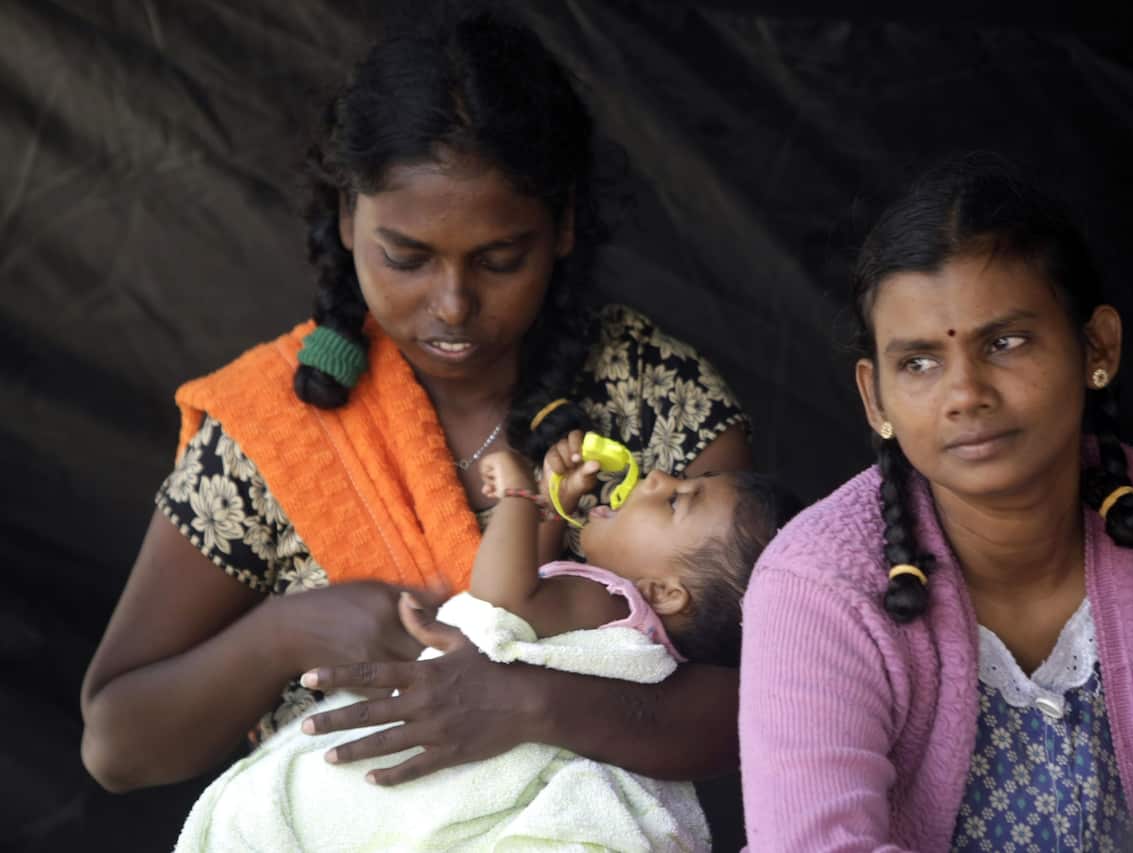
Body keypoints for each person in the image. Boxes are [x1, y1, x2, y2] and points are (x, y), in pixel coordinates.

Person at [80, 7, 751, 820]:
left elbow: (757, 700)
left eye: (501, 260)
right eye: (405, 257)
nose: (454, 305)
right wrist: (290, 631)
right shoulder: (275, 424)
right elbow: (116, 739)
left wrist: (524, 700)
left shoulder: (656, 395)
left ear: (565, 226)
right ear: (345, 220)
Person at [737, 153, 1133, 851]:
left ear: (1097, 347)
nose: (966, 393)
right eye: (920, 362)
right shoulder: (818, 585)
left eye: (1007, 341)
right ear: (876, 397)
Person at [174, 427, 795, 851]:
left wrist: (522, 499)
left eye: (677, 501)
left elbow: (507, 600)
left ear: (664, 594)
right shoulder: (622, 621)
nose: (657, 476)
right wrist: (556, 513)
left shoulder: (607, 599)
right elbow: (538, 603)